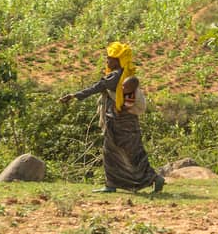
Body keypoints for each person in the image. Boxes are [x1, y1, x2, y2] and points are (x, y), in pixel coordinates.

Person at [60, 42, 164, 194]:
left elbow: (97, 87)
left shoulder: (116, 76)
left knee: (112, 152)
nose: (107, 61)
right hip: (128, 121)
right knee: (133, 152)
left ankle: (116, 184)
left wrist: (74, 96)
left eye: (110, 58)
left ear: (117, 60)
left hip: (119, 122)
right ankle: (148, 179)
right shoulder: (125, 75)